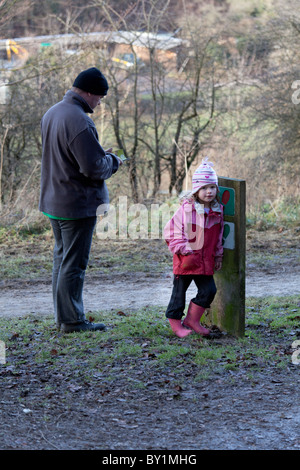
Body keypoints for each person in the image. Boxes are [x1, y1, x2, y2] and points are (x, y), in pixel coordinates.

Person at [39, 67, 122, 333]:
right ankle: (73, 321)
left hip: (55, 200)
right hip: (76, 204)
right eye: (99, 97)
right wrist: (113, 161)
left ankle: (63, 317)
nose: (99, 102)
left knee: (62, 260)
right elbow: (93, 168)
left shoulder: (52, 113)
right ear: (87, 92)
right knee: (74, 265)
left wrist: (99, 155)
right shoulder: (80, 121)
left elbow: (70, 157)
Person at [163, 158, 224, 338]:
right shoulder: (187, 209)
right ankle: (176, 324)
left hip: (205, 261)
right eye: (204, 188)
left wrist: (218, 256)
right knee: (178, 294)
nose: (209, 192)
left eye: (212, 187)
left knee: (209, 290)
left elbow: (219, 236)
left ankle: (192, 320)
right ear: (197, 190)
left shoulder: (217, 211)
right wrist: (182, 247)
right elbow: (171, 230)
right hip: (186, 260)